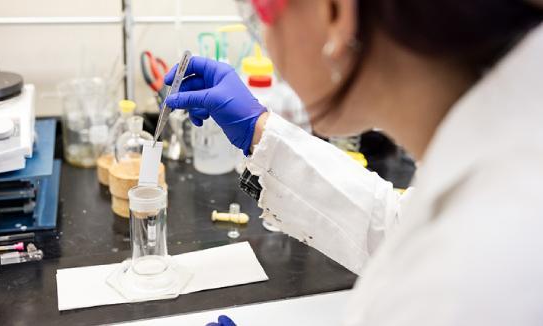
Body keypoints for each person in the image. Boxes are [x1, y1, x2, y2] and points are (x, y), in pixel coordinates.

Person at [164, 0, 543, 324]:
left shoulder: (475, 276)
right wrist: (258, 132)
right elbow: (397, 228)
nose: (263, 35)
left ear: (337, 13)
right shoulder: (503, 152)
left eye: (261, 9)